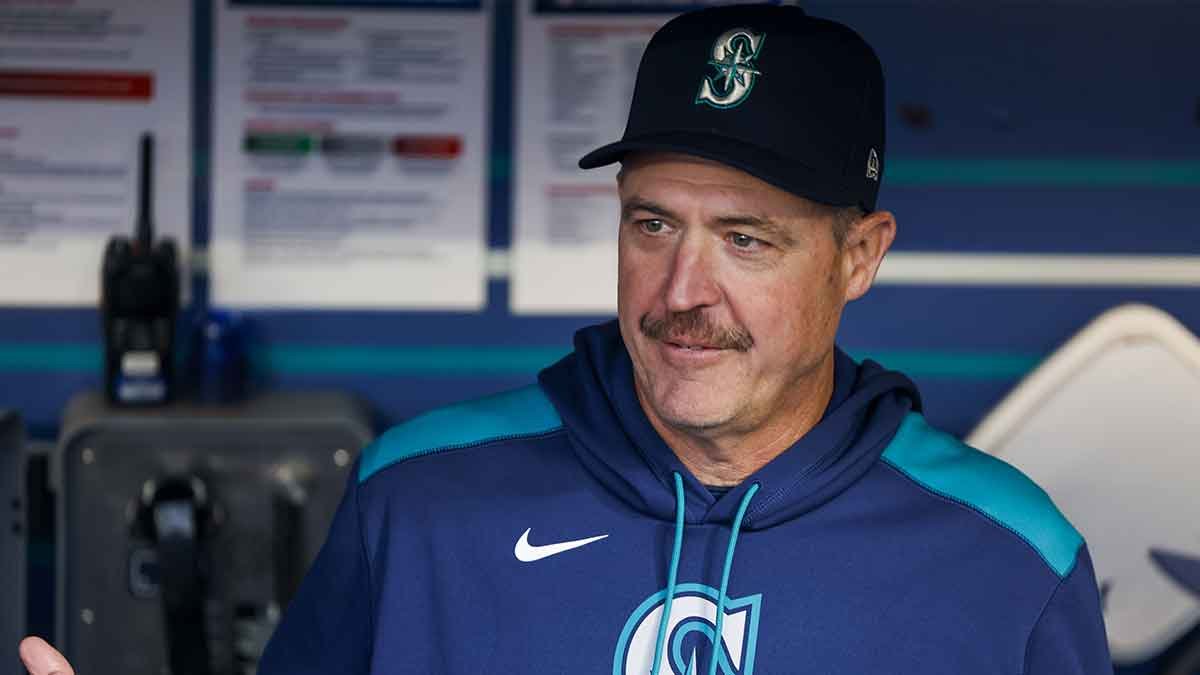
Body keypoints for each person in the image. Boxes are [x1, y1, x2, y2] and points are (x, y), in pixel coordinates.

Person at [21, 4, 1111, 674]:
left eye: (746, 239)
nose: (683, 292)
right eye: (653, 225)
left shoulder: (1010, 556)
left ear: (858, 257)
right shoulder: (418, 497)